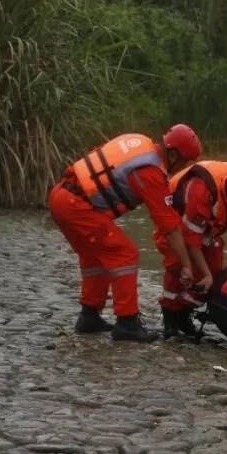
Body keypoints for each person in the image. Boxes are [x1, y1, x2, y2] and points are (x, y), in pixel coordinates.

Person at [48, 126, 202, 342]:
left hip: (61, 197)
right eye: (184, 162)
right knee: (124, 254)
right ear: (174, 154)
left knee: (95, 256)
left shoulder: (138, 142)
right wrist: (186, 264)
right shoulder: (150, 172)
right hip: (77, 206)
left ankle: (89, 316)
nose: (183, 167)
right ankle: (127, 322)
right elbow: (169, 226)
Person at [156, 161, 227, 339]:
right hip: (174, 219)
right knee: (179, 264)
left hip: (205, 227)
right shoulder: (203, 192)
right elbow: (191, 240)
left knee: (214, 265)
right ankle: (170, 316)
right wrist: (204, 273)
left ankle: (185, 314)